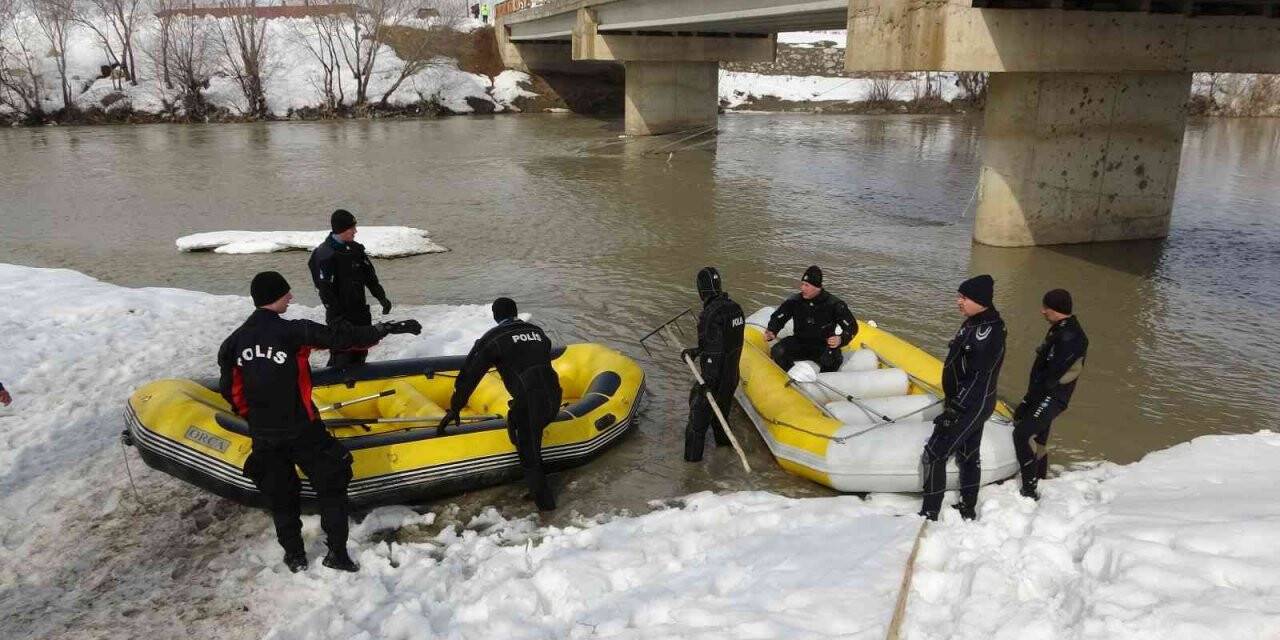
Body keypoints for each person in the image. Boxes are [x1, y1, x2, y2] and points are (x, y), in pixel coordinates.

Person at [218, 271, 421, 573]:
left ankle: (294, 557)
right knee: (333, 483)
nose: (291, 297)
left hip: (264, 433)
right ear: (275, 296)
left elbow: (231, 391)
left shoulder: (233, 343)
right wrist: (383, 329)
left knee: (281, 496)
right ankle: (336, 553)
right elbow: (342, 340)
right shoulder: (293, 332)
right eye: (286, 293)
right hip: (302, 429)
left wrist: (255, 417)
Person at [440, 298, 562, 511]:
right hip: (554, 394)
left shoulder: (493, 338)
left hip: (529, 399)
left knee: (528, 453)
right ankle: (537, 488)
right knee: (528, 436)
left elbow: (470, 375)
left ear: (495, 316)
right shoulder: (537, 332)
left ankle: (547, 511)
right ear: (516, 312)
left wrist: (455, 407)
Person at [919, 274, 1006, 521]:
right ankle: (968, 509)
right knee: (968, 454)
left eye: (963, 297)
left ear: (980, 300)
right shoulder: (973, 322)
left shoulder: (990, 331)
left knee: (935, 452)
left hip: (972, 404)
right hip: (964, 401)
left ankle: (930, 512)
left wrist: (954, 409)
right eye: (959, 296)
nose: (958, 302)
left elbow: (979, 377)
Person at [1013, 289, 1088, 500]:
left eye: (1046, 307)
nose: (1042, 311)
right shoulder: (1059, 329)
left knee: (1022, 433)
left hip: (1053, 396)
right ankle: (1040, 478)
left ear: (1057, 309)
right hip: (1044, 393)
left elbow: (1053, 376)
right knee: (1040, 439)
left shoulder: (1071, 337)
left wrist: (1028, 401)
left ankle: (1029, 489)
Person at [308, 209, 393, 368]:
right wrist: (337, 319)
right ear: (340, 229)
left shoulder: (356, 250)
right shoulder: (324, 254)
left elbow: (370, 278)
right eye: (351, 228)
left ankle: (357, 387)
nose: (355, 231)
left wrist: (381, 297)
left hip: (360, 313)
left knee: (360, 353)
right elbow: (325, 291)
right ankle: (332, 387)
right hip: (341, 317)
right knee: (342, 357)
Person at [682, 267, 746, 462]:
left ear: (701, 289)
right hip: (731, 376)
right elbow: (724, 345)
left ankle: (692, 473)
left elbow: (715, 353)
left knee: (696, 423)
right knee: (720, 417)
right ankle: (724, 457)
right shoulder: (735, 308)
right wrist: (696, 351)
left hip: (715, 379)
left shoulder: (710, 314)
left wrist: (706, 383)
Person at [763, 265, 857, 372]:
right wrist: (772, 330)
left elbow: (852, 327)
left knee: (832, 360)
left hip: (823, 345)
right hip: (800, 342)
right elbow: (779, 317)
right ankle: (793, 375)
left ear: (817, 287)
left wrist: (841, 339)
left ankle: (821, 383)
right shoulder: (795, 301)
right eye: (802, 284)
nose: (802, 288)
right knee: (778, 351)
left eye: (806, 285)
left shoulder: (834, 304)